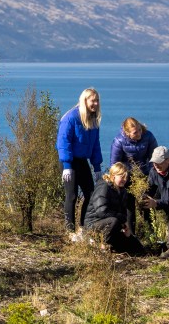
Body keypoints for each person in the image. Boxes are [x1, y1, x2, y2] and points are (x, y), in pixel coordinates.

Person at [57, 87, 102, 236]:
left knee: (91, 194)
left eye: (97, 100)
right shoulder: (71, 117)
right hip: (69, 162)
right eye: (92, 100)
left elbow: (95, 145)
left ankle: (83, 229)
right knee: (72, 195)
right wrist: (67, 166)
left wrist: (97, 168)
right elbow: (63, 142)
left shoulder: (94, 119)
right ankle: (69, 232)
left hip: (82, 161)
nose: (95, 103)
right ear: (85, 100)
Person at [84, 162, 146, 256]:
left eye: (126, 177)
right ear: (113, 176)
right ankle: (101, 245)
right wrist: (121, 219)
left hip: (113, 226)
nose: (124, 180)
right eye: (122, 176)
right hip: (94, 224)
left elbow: (123, 212)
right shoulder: (103, 187)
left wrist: (126, 228)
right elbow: (102, 212)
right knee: (114, 221)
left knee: (138, 249)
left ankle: (112, 246)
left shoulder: (123, 191)